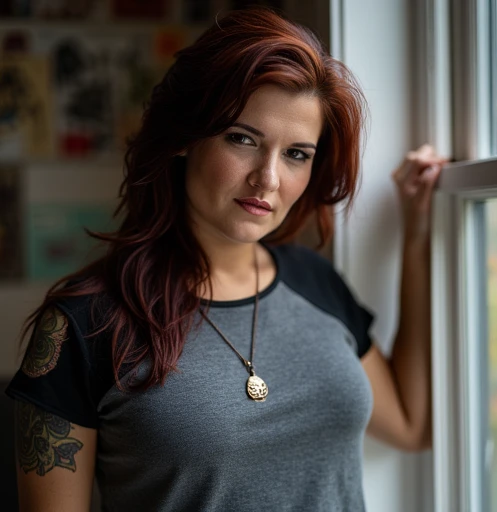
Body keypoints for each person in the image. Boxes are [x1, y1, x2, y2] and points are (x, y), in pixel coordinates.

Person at [6, 7, 447, 512]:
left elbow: (412, 424)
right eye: (243, 139)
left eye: (297, 154)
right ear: (185, 138)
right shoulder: (82, 327)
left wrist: (416, 239)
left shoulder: (316, 281)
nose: (269, 179)